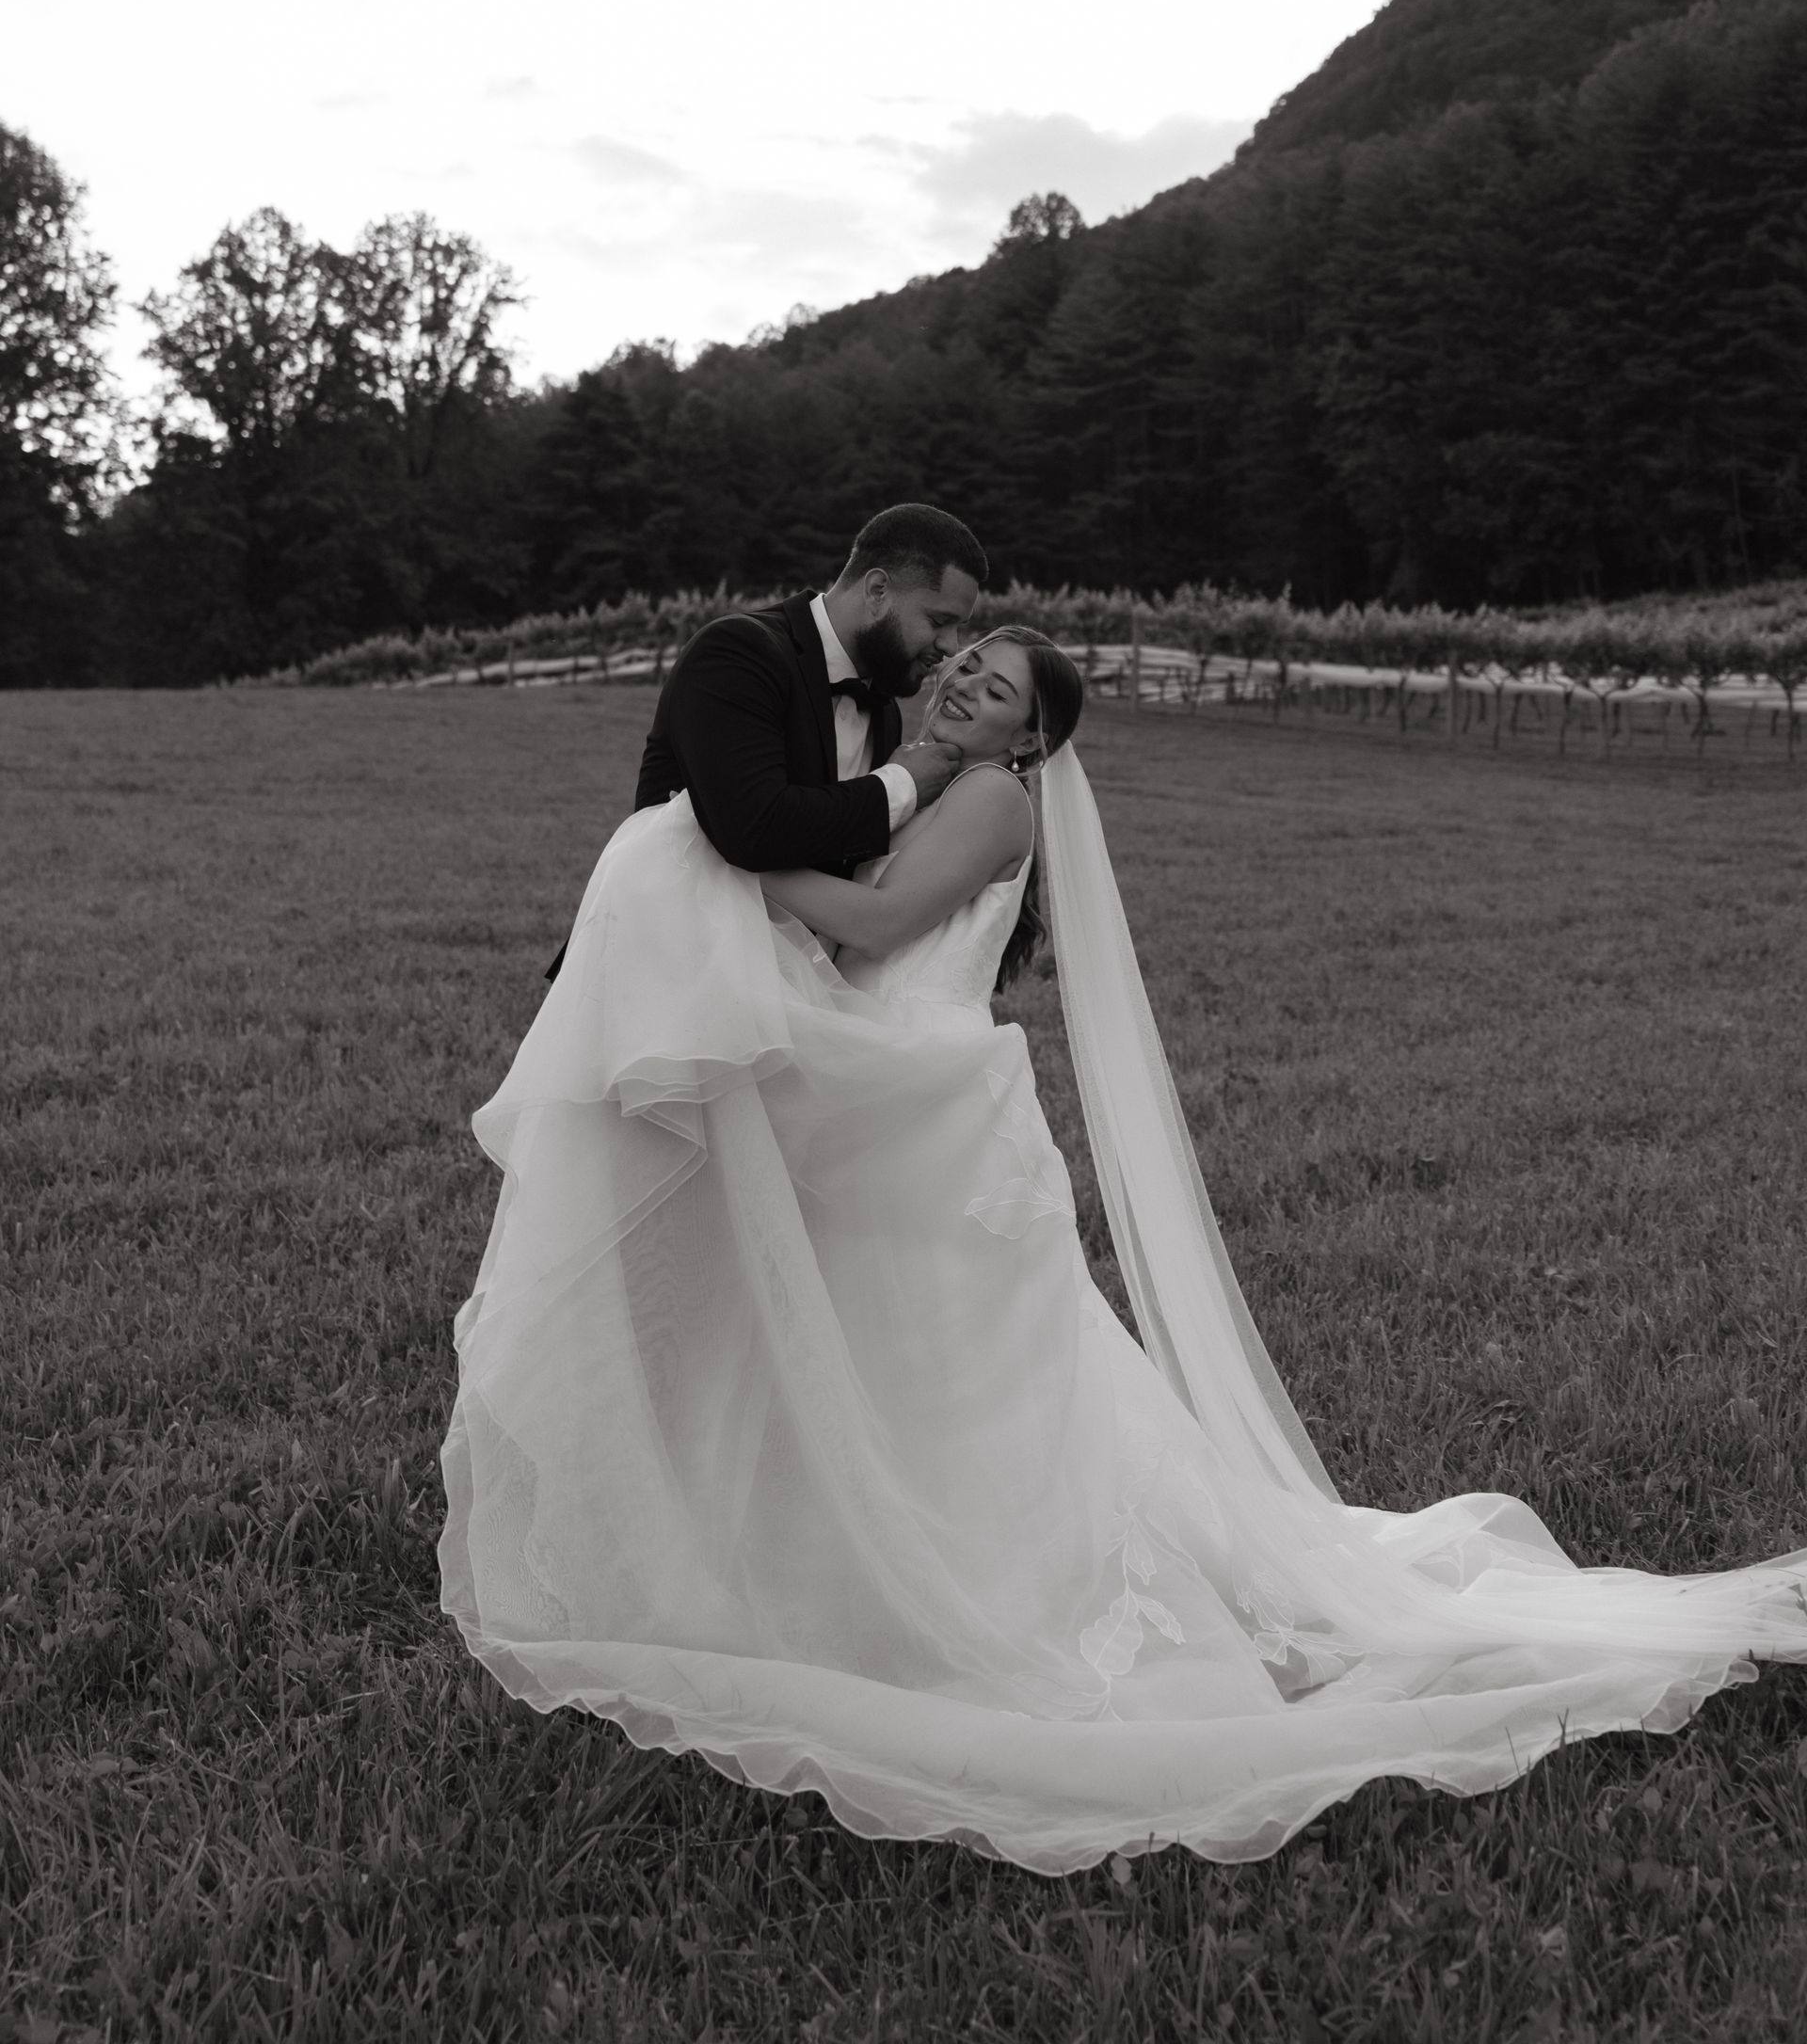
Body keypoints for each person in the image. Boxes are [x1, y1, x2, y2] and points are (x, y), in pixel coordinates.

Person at [440, 615, 1807, 1874]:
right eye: (967, 663)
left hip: (910, 1104)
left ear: (1031, 737)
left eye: (1002, 688)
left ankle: (966, 1596)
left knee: (951, 1370)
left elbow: (864, 926)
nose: (970, 682)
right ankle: (845, 1570)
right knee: (916, 1366)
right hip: (876, 1094)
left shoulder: (987, 800)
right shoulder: (935, 775)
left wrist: (700, 843)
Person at [542, 503, 983, 982]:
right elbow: (752, 827)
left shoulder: (883, 710)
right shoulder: (738, 653)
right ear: (878, 590)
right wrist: (900, 785)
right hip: (669, 971)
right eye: (939, 621)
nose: (952, 646)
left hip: (787, 988)